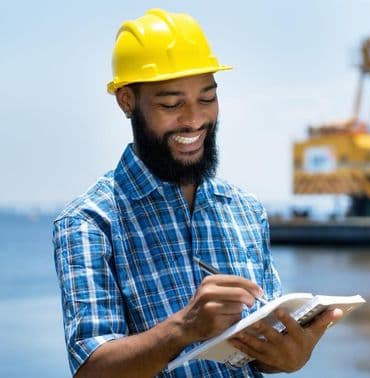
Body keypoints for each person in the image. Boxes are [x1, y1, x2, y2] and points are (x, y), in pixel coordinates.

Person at [53, 8, 342, 378]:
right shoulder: (89, 222)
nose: (194, 119)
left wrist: (291, 357)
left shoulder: (246, 211)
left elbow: (263, 356)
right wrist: (183, 329)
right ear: (126, 101)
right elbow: (91, 370)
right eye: (171, 104)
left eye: (207, 98)